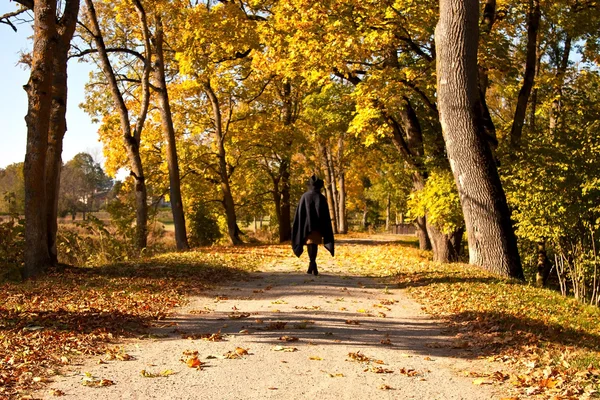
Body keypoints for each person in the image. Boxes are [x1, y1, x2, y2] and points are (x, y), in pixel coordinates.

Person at [291, 175, 334, 275]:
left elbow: (300, 214)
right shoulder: (321, 197)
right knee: (313, 244)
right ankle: (312, 264)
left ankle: (312, 264)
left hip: (306, 226)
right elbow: (324, 215)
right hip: (317, 227)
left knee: (310, 244)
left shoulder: (304, 197)